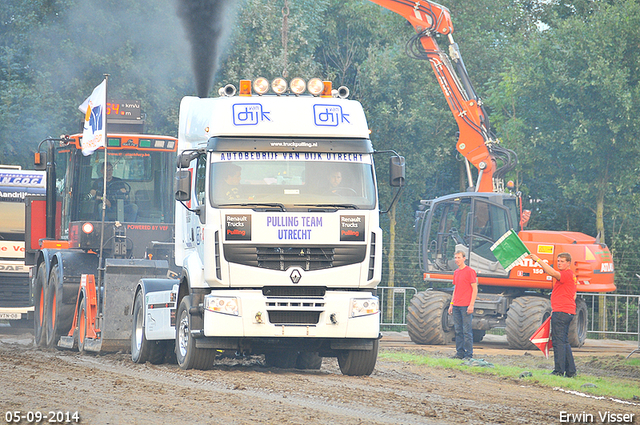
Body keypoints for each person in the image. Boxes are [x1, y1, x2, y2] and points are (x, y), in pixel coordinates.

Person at [528, 252, 577, 377]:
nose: (559, 263)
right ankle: (571, 371)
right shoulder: (571, 276)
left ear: (568, 263)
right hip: (566, 311)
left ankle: (559, 371)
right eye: (558, 261)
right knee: (564, 341)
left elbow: (553, 273)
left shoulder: (566, 274)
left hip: (561, 312)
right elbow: (574, 294)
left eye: (562, 261)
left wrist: (538, 260)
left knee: (558, 342)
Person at [448, 250, 478, 359]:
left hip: (466, 306)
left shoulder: (470, 271)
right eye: (455, 258)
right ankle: (459, 353)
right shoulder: (456, 272)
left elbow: (475, 289)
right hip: (456, 305)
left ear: (464, 258)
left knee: (467, 331)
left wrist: (471, 304)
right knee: (458, 330)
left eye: (459, 257)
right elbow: (455, 289)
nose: (457, 260)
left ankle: (469, 354)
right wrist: (451, 304)